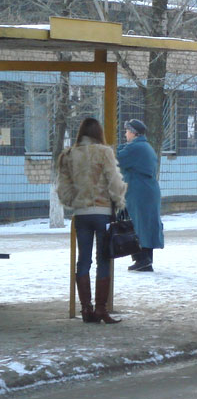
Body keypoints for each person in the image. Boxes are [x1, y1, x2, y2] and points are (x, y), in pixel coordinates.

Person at [56, 117, 128, 323]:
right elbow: (114, 181)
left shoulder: (69, 155)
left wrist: (75, 202)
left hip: (81, 214)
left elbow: (64, 188)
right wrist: (119, 199)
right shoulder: (104, 152)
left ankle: (86, 309)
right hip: (102, 212)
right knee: (103, 259)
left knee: (83, 260)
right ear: (98, 132)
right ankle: (101, 310)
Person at [117, 119, 164, 272]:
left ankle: (142, 260)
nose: (125, 134)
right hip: (147, 190)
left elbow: (117, 159)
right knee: (145, 225)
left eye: (127, 131)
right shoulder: (144, 146)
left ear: (133, 133)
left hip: (140, 192)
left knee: (138, 226)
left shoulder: (136, 148)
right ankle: (145, 260)